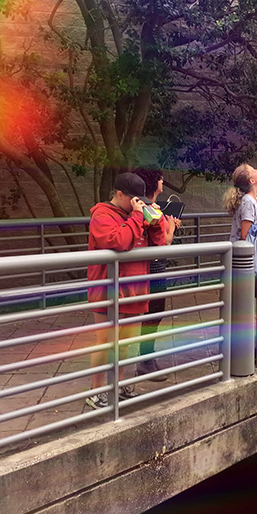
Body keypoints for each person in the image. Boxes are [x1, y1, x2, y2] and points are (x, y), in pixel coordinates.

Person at [86, 172, 158, 409]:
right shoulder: (102, 215)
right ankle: (97, 392)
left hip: (135, 287)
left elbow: (160, 242)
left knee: (125, 342)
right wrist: (138, 217)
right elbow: (118, 241)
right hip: (108, 290)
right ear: (119, 194)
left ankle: (117, 387)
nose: (138, 205)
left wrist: (154, 220)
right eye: (134, 200)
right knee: (106, 341)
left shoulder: (135, 213)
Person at [133, 168, 182, 378]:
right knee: (154, 314)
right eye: (161, 179)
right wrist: (171, 226)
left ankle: (145, 359)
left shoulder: (142, 206)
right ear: (155, 183)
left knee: (149, 314)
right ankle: (145, 360)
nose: (163, 183)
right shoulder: (152, 208)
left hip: (146, 266)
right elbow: (165, 241)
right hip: (154, 267)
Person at [224, 163, 257, 242]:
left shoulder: (255, 199)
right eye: (253, 170)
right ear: (252, 180)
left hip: (251, 251)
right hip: (244, 252)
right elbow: (245, 235)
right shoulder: (248, 201)